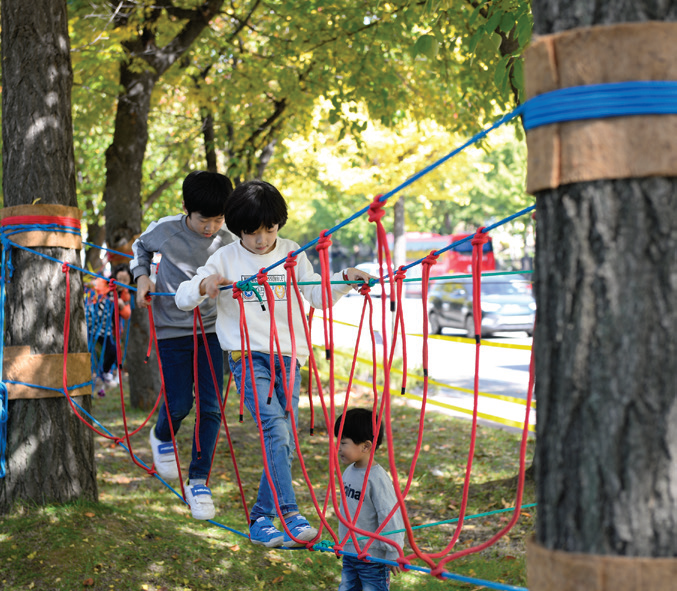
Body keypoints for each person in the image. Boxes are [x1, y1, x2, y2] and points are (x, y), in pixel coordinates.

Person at [174, 179, 372, 548]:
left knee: (284, 440)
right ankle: (291, 514)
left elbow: (317, 295)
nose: (262, 239)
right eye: (252, 232)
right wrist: (206, 285)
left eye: (270, 229)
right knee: (274, 429)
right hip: (247, 355)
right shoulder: (225, 258)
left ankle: (260, 519)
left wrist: (345, 279)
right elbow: (184, 296)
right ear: (238, 230)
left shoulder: (293, 253)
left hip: (288, 357)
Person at [130, 170, 235, 520]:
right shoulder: (165, 229)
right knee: (179, 403)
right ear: (186, 208)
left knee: (212, 406)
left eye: (218, 220)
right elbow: (139, 247)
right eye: (205, 220)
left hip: (211, 331)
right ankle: (162, 435)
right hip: (171, 329)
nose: (211, 228)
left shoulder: (228, 237)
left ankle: (199, 481)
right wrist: (141, 275)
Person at [334, 408, 405, 591]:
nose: (338, 447)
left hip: (372, 558)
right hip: (350, 552)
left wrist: (393, 551)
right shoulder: (349, 471)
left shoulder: (377, 479)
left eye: (343, 443)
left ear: (366, 446)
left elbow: (390, 516)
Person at [92, 263, 133, 389]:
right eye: (119, 279)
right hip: (94, 326)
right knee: (98, 351)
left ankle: (104, 374)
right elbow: (93, 294)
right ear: (113, 276)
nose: (121, 283)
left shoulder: (124, 295)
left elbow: (127, 314)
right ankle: (100, 375)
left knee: (113, 351)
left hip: (108, 330)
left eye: (125, 281)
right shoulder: (103, 285)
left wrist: (121, 305)